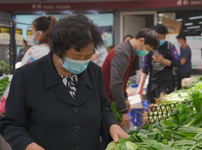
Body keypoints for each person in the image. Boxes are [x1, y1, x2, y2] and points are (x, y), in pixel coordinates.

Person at [0, 14, 128, 150]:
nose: (82, 62)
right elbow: (11, 123)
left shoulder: (94, 72)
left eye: (88, 56)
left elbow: (103, 107)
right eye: (77, 57)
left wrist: (111, 125)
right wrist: (27, 145)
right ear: (58, 50)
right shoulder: (27, 76)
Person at [102, 28, 159, 129]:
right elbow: (115, 84)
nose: (147, 52)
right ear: (141, 41)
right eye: (148, 48)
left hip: (110, 100)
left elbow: (122, 80)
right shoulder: (122, 53)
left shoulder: (132, 53)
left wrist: (124, 99)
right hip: (103, 100)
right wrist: (124, 111)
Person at [0, 16, 57, 116]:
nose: (31, 35)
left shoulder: (34, 52)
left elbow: (18, 78)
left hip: (35, 103)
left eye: (31, 32)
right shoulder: (57, 51)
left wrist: (4, 102)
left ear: (38, 34)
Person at [137, 24, 180, 103]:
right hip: (152, 85)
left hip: (166, 84)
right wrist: (140, 87)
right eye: (160, 37)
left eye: (164, 37)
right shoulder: (148, 47)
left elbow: (177, 63)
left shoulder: (170, 47)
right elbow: (145, 69)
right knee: (153, 110)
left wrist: (163, 61)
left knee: (165, 109)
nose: (162, 39)